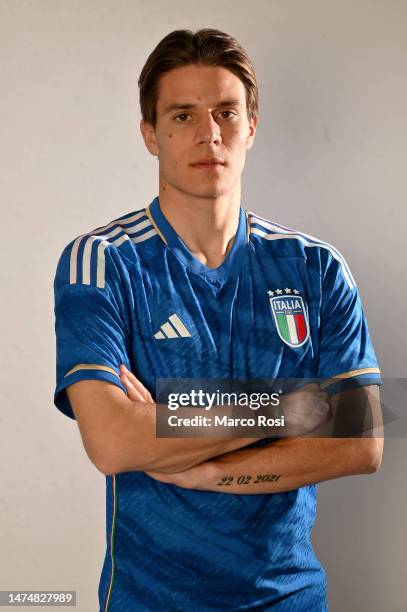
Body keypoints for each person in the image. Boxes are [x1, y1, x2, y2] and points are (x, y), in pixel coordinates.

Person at [53, 28, 383, 612]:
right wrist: (295, 406)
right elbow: (110, 441)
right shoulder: (103, 262)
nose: (209, 133)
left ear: (250, 127)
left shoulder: (315, 267)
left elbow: (361, 441)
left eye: (226, 112)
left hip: (291, 598)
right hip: (149, 600)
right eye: (182, 115)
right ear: (150, 135)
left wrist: (202, 465)